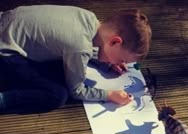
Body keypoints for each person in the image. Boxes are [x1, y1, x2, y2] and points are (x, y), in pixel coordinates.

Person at [0, 5, 151, 114]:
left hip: (7, 25)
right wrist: (109, 95)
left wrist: (105, 64)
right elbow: (76, 90)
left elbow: (77, 46)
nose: (119, 64)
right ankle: (5, 99)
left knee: (64, 68)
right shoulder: (80, 47)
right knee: (58, 95)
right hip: (6, 54)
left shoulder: (88, 18)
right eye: (122, 59)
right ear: (115, 42)